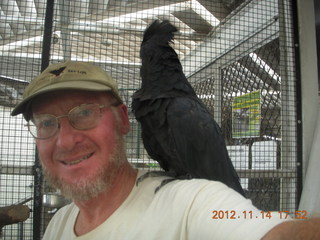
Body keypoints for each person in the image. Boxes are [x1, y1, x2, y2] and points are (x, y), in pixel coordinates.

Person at [11, 61, 319, 239]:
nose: (65, 141)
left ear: (121, 120)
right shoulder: (59, 224)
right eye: (47, 122)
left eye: (85, 113)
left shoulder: (191, 203)